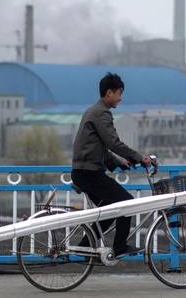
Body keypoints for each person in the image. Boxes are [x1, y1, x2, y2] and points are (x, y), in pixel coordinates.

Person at [71, 72, 153, 257]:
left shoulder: (94, 111)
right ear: (109, 92)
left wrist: (119, 162)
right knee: (127, 203)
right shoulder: (102, 112)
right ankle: (120, 247)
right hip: (89, 173)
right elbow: (113, 142)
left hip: (83, 172)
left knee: (110, 209)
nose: (120, 98)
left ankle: (84, 248)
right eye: (119, 93)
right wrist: (140, 158)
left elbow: (100, 147)